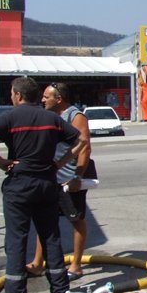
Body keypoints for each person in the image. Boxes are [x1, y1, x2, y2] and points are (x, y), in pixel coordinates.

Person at [0, 77, 86, 293]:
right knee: (51, 237)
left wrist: (1, 162)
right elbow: (81, 140)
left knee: (16, 241)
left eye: (12, 94)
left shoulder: (11, 117)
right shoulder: (51, 119)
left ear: (18, 95)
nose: (11, 97)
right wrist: (59, 164)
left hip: (20, 185)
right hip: (46, 183)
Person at [26, 82, 92, 281]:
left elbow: (85, 147)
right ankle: (38, 263)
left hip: (69, 180)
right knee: (44, 220)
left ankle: (76, 265)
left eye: (47, 96)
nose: (43, 100)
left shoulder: (75, 116)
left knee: (76, 220)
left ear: (59, 99)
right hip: (50, 179)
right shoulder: (50, 116)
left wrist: (77, 177)